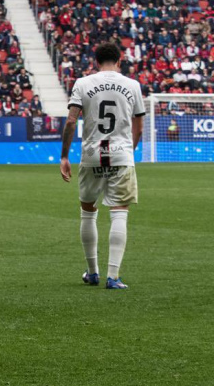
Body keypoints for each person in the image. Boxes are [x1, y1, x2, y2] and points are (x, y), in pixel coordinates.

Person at [60, 42, 145, 290]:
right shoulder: (133, 85)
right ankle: (113, 276)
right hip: (120, 155)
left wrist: (64, 156)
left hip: (91, 154)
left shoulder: (83, 83)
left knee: (88, 211)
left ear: (96, 62)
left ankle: (92, 272)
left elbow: (71, 122)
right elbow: (138, 126)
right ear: (119, 61)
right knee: (119, 212)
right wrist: (130, 151)